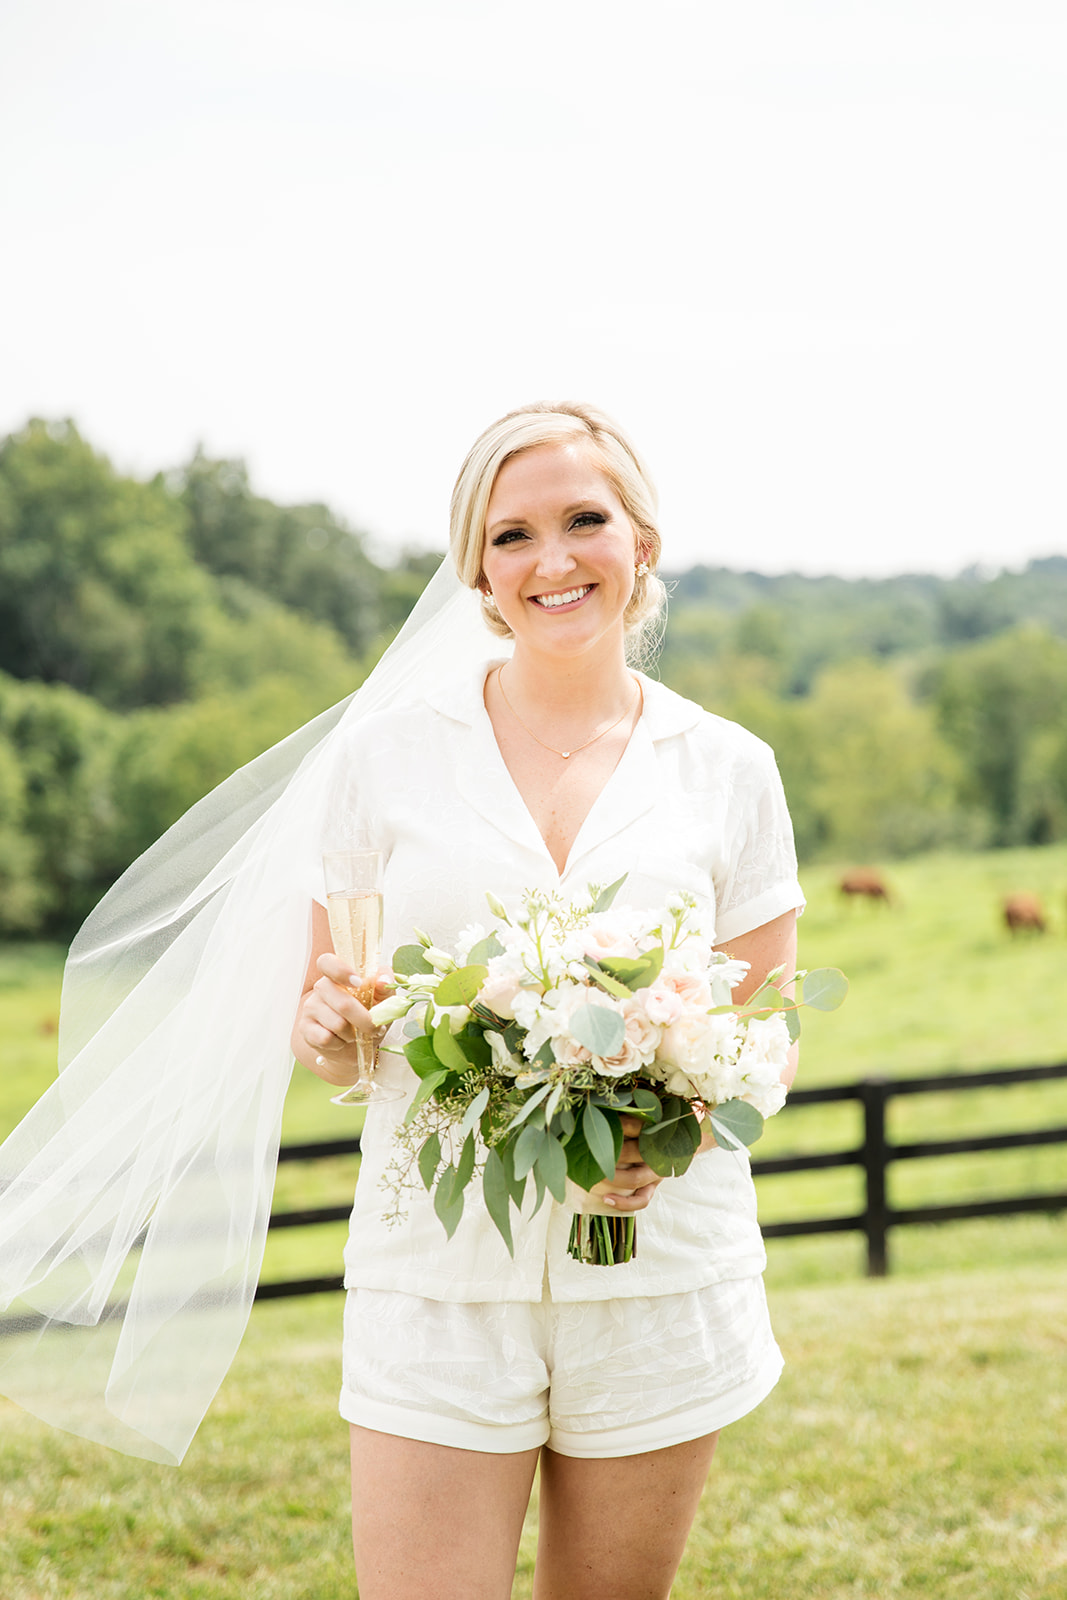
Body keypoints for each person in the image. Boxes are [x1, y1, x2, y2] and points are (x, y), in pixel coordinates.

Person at [289, 402, 805, 1599]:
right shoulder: (383, 758)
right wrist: (327, 1033)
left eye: (584, 520)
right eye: (512, 534)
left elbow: (764, 1032)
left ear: (641, 539)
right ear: (477, 566)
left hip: (659, 1273)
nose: (553, 559)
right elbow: (341, 1029)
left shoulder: (728, 768)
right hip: (437, 1270)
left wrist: (666, 1137)